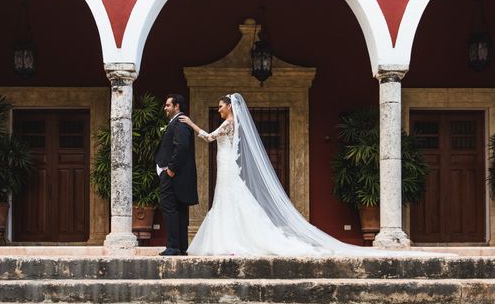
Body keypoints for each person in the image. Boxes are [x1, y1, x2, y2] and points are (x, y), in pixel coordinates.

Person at [179, 93, 427, 257]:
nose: (219, 109)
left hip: (227, 165)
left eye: (221, 106)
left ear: (229, 106)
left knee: (229, 199)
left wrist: (190, 123)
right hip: (227, 163)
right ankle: (232, 236)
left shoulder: (228, 122)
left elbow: (208, 138)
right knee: (228, 200)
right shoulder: (232, 122)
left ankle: (234, 238)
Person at [154, 94, 198, 256]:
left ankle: (173, 246)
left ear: (176, 106)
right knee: (178, 209)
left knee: (170, 208)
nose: (165, 108)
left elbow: (182, 146)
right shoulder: (178, 122)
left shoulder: (179, 123)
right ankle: (180, 247)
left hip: (173, 175)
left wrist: (170, 169)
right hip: (176, 175)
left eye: (167, 105)